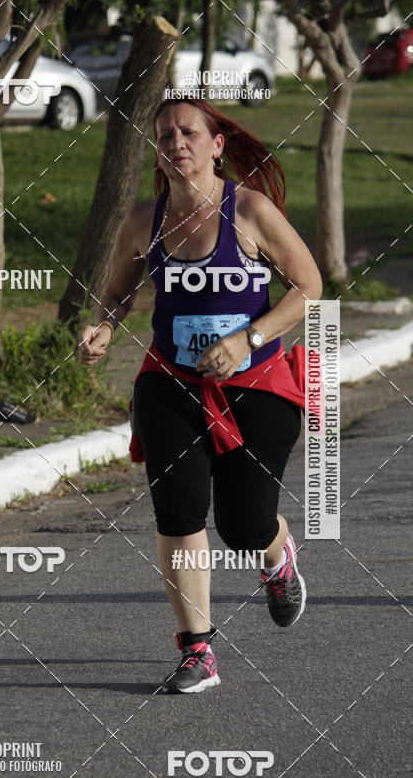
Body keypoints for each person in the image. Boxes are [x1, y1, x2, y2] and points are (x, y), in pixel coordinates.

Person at [78, 97, 323, 694]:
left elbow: (310, 287)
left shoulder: (252, 212)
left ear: (216, 146)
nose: (177, 142)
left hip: (257, 384)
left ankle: (277, 554)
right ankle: (197, 651)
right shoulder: (143, 222)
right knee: (179, 510)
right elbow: (117, 291)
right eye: (165, 135)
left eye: (190, 132)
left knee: (243, 526)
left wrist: (250, 336)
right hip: (172, 384)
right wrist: (103, 327)